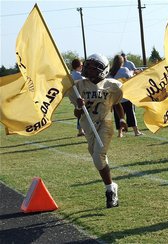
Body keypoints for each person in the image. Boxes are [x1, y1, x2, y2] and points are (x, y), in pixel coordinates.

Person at [68, 53, 127, 208]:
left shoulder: (112, 85)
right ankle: (112, 185)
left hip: (105, 122)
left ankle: (110, 191)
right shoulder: (79, 85)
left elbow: (117, 104)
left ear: (102, 70)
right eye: (88, 67)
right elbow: (77, 113)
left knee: (98, 156)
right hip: (88, 125)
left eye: (93, 69)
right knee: (98, 157)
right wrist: (79, 106)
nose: (88, 70)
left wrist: (121, 120)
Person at [109, 55, 143, 137]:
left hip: (116, 98)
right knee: (131, 114)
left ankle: (120, 133)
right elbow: (130, 77)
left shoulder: (111, 72)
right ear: (122, 62)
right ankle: (136, 131)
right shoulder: (124, 69)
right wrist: (134, 72)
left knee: (118, 115)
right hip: (126, 96)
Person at [70, 58, 85, 137]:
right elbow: (86, 82)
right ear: (79, 66)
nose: (82, 67)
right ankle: (81, 130)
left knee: (80, 113)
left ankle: (80, 130)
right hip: (80, 96)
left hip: (74, 97)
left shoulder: (71, 74)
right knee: (82, 113)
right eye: (81, 65)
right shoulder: (79, 75)